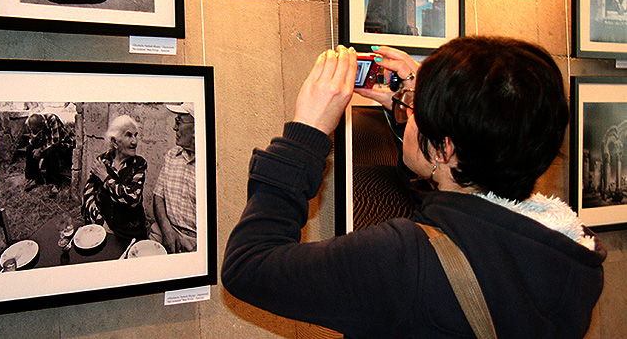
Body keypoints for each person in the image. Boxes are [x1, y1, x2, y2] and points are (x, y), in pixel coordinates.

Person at [222, 37, 606, 338]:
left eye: (416, 111)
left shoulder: (404, 259)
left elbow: (249, 266)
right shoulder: (569, 248)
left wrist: (307, 133)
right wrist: (423, 108)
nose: (409, 114)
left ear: (445, 147)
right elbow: (458, 212)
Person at [81, 115, 147, 240]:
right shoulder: (102, 161)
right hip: (102, 230)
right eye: (129, 135)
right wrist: (100, 222)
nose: (135, 141)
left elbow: (132, 198)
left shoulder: (139, 165)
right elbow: (88, 194)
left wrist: (105, 178)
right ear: (115, 142)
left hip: (129, 232)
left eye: (135, 135)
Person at [149, 104, 197, 253]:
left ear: (197, 127)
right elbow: (158, 196)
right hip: (166, 230)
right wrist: (167, 230)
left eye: (179, 122)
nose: (174, 128)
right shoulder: (172, 156)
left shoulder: (211, 164)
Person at [24, 112, 75, 196]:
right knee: (29, 148)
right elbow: (33, 141)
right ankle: (34, 178)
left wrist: (40, 150)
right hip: (48, 144)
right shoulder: (32, 124)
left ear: (43, 124)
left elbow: (55, 141)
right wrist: (34, 138)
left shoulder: (52, 119)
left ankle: (56, 183)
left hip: (64, 144)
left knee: (51, 151)